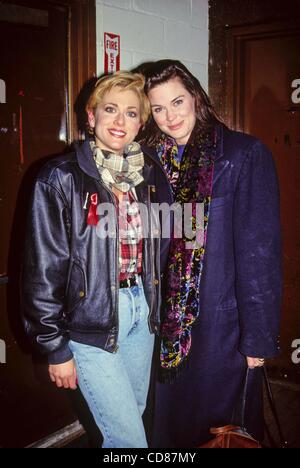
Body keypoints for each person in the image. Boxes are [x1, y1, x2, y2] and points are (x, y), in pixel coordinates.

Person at [139, 59, 282, 447]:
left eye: (178, 102)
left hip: (222, 329)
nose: (170, 116)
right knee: (171, 431)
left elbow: (260, 255)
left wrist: (257, 340)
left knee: (221, 434)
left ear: (197, 98)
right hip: (168, 328)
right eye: (158, 108)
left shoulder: (242, 155)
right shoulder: (153, 163)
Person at [21, 71, 167, 448]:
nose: (120, 122)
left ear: (141, 122)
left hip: (141, 312)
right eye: (110, 109)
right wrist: (54, 346)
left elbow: (166, 243)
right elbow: (43, 268)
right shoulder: (60, 178)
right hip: (90, 320)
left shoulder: (149, 175)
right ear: (91, 116)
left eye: (132, 113)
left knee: (132, 417)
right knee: (130, 440)